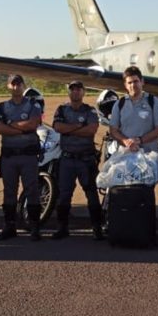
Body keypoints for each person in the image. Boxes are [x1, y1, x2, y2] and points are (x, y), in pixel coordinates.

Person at [51, 80, 105, 239]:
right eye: (72, 89)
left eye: (78, 89)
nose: (75, 92)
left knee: (92, 194)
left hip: (86, 159)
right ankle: (62, 227)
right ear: (69, 92)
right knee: (64, 195)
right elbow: (58, 127)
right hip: (67, 159)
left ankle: (97, 227)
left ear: (83, 92)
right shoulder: (61, 109)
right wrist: (79, 127)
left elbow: (91, 130)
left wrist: (69, 128)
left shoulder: (90, 110)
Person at [0, 74, 44, 240]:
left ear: (24, 85)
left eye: (19, 84)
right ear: (8, 86)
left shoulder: (33, 105)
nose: (16, 87)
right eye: (13, 84)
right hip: (9, 156)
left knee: (32, 191)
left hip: (28, 155)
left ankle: (35, 227)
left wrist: (11, 125)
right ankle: (10, 227)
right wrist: (22, 129)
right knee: (9, 192)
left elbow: (34, 123)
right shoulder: (2, 106)